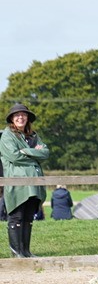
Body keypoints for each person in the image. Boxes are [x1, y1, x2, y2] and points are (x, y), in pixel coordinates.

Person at [1, 103, 50, 257]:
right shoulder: (7, 136)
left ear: (27, 117)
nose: (20, 117)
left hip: (34, 183)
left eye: (23, 115)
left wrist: (26, 151)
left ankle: (26, 252)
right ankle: (16, 253)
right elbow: (14, 157)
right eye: (17, 115)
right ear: (12, 119)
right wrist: (35, 154)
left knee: (28, 217)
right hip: (17, 182)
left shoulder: (33, 136)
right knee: (16, 216)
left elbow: (46, 152)